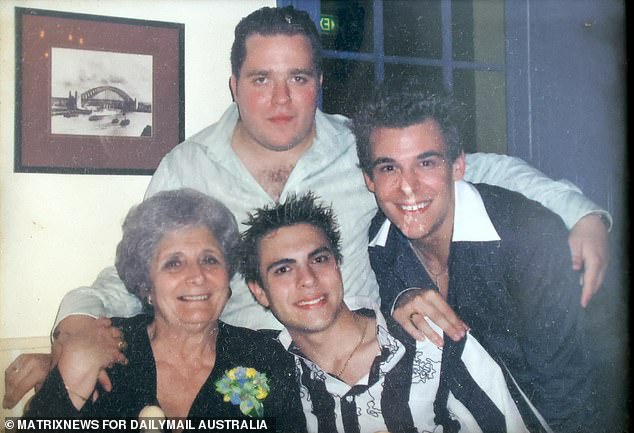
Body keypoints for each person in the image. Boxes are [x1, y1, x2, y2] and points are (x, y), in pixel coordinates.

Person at [3, 5, 609, 410]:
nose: (282, 99)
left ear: (319, 81)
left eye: (298, 77)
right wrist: (76, 323)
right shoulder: (186, 167)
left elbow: (472, 167)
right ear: (234, 84)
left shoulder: (358, 149)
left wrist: (581, 213)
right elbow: (140, 271)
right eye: (262, 79)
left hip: (364, 376)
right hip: (243, 387)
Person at [351, 85, 593, 432]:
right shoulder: (381, 245)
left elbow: (568, 397)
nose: (408, 187)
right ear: (369, 180)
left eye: (426, 163)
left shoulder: (528, 238)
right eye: (389, 168)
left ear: (458, 165)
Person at [240, 193, 550, 433]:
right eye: (283, 269)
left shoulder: (433, 338)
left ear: (337, 266)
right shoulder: (262, 374)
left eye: (319, 260)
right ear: (259, 291)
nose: (307, 279)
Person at [22, 189, 306, 433]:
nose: (197, 276)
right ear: (146, 284)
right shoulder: (105, 347)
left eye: (209, 260)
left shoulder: (265, 358)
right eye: (173, 263)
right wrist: (72, 374)